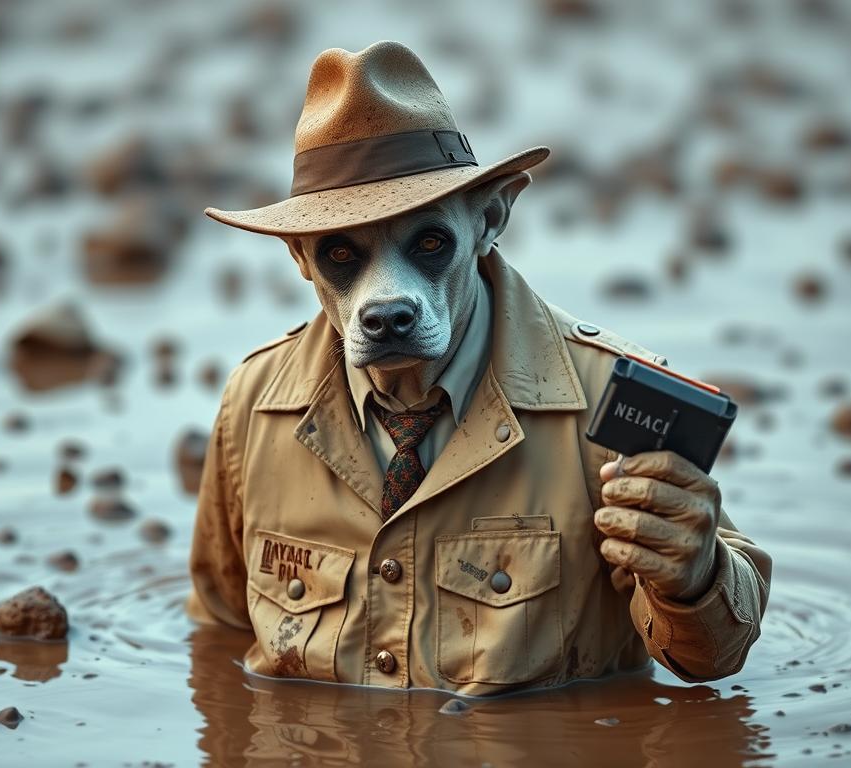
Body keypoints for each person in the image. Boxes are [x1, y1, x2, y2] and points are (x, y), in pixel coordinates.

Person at [186, 40, 772, 695]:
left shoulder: (611, 396)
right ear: (300, 256)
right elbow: (219, 634)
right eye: (343, 257)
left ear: (490, 217)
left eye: (428, 244)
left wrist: (696, 575)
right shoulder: (253, 401)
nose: (388, 305)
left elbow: (716, 659)